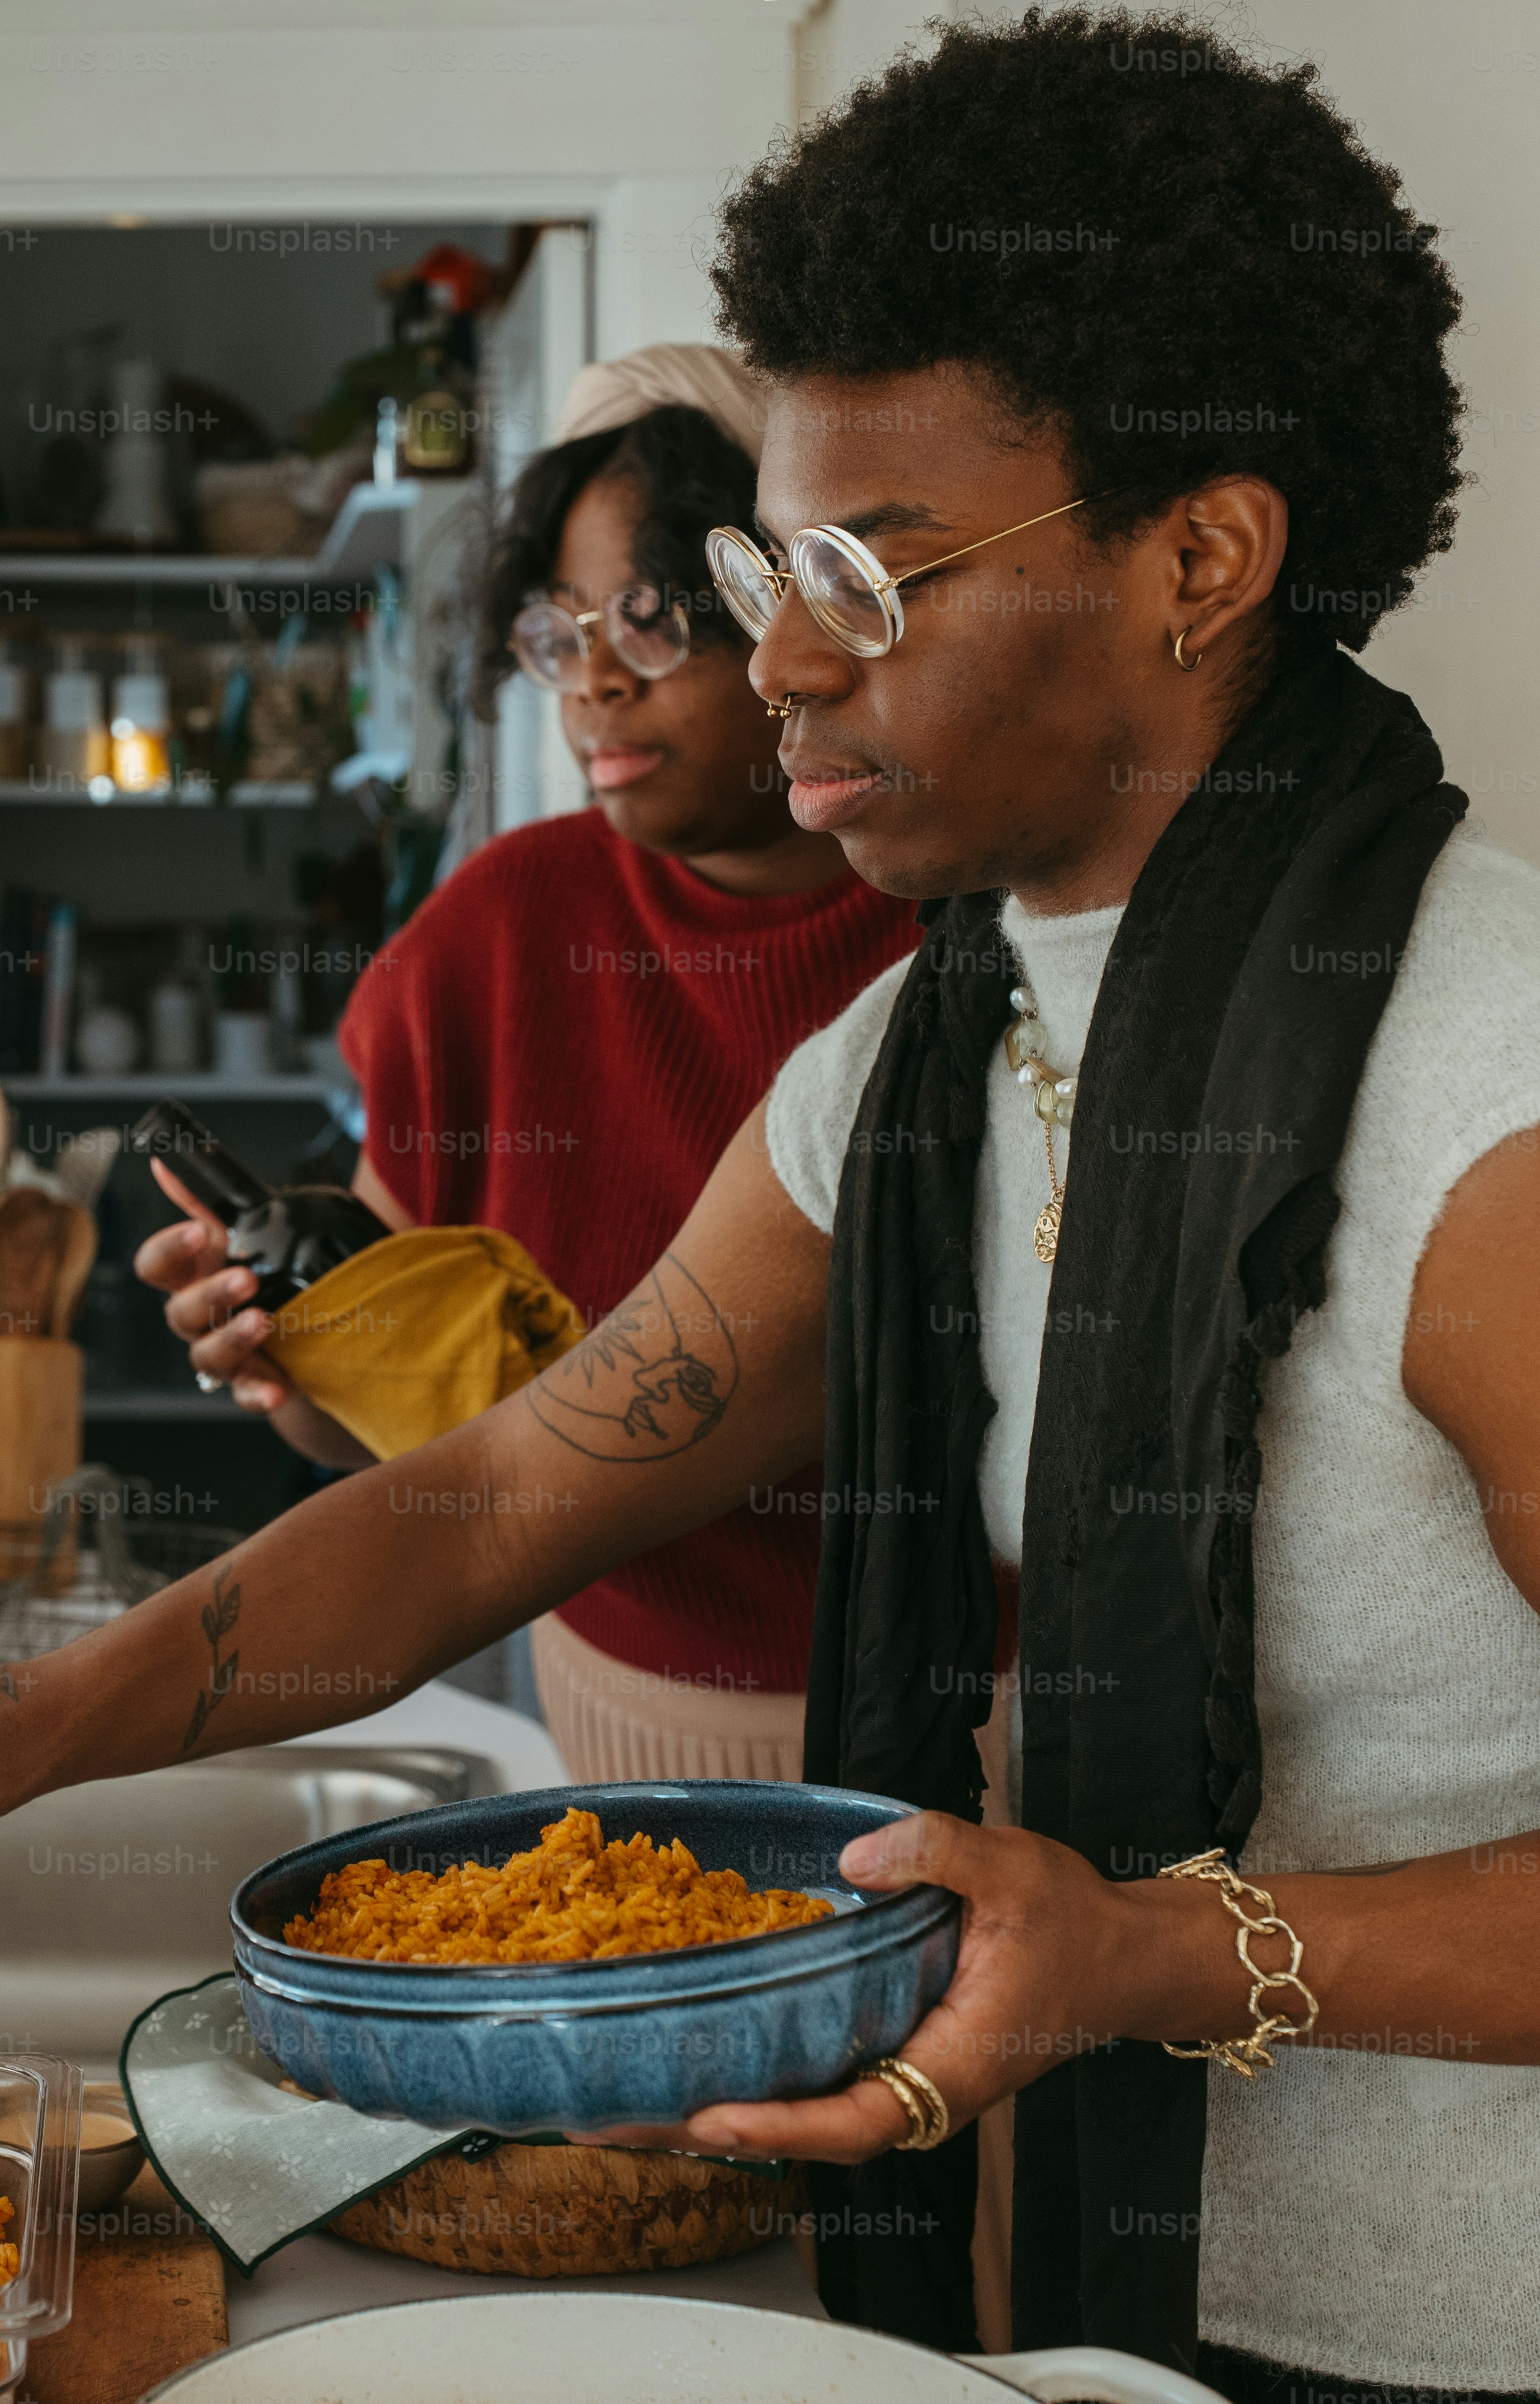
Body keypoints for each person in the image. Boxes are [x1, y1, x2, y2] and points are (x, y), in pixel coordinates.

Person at [0, 19, 1540, 2399]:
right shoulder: (932, 1053)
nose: (782, 653)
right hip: (1121, 2312)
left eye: (869, 564)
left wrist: (1158, 1950)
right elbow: (508, 1496)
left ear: (1205, 557)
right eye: (769, 560)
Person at [147, 341, 923, 1784]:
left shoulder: (964, 912)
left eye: (649, 621)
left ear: (795, 610)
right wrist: (281, 1358)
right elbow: (396, 1424)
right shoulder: (495, 940)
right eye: (557, 632)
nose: (591, 688)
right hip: (619, 1713)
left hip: (987, 1726)